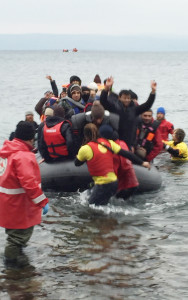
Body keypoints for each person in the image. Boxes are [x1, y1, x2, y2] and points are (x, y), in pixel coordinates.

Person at [0, 121, 49, 269]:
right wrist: (43, 202)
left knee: (13, 234)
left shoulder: (8, 151)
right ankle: (11, 264)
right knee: (18, 237)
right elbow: (29, 183)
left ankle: (14, 260)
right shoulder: (23, 156)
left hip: (7, 203)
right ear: (30, 138)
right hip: (18, 205)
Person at [75, 123, 150, 206]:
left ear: (85, 135)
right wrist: (142, 162)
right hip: (114, 183)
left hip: (103, 184)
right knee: (102, 205)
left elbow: (77, 163)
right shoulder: (109, 143)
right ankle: (111, 218)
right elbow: (126, 154)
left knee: (91, 208)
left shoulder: (85, 148)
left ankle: (108, 218)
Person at [100, 77, 157, 150]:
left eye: (128, 98)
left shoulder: (134, 110)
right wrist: (107, 88)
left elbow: (147, 105)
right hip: (115, 140)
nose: (127, 100)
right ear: (119, 98)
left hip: (129, 142)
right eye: (124, 98)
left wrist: (153, 92)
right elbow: (103, 101)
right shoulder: (114, 107)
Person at [99, 125, 139, 199]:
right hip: (133, 184)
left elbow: (113, 171)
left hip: (123, 187)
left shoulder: (112, 152)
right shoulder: (123, 143)